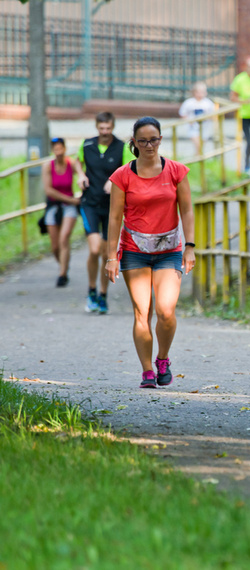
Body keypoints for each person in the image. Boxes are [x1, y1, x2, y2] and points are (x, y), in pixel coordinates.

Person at [105, 116, 195, 389]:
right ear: (134, 142)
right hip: (134, 250)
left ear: (161, 139)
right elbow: (114, 218)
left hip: (169, 249)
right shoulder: (123, 175)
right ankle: (146, 371)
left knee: (166, 311)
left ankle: (163, 358)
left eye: (153, 139)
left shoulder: (176, 171)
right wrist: (111, 256)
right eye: (142, 141)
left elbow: (188, 210)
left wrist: (190, 247)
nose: (148, 145)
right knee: (141, 312)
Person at [77, 111, 135, 314]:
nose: (105, 132)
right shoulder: (87, 145)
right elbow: (77, 160)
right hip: (90, 203)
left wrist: (114, 181)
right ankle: (91, 290)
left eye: (108, 128)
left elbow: (129, 169)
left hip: (112, 207)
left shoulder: (120, 147)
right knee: (94, 249)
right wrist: (80, 173)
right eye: (101, 128)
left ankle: (102, 294)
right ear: (96, 127)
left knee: (105, 253)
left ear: (113, 127)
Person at [41, 137, 84, 287]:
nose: (58, 152)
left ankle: (62, 274)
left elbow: (81, 173)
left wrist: (80, 182)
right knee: (55, 246)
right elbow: (48, 190)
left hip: (69, 207)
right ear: (53, 150)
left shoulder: (70, 163)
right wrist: (70, 199)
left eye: (61, 149)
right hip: (54, 206)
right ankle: (63, 265)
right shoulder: (48, 166)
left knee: (64, 238)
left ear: (64, 149)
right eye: (56, 149)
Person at [178, 81, 216, 157]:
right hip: (193, 127)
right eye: (198, 92)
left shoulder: (208, 103)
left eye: (202, 92)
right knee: (197, 143)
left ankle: (197, 157)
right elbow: (183, 113)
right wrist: (188, 120)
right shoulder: (189, 103)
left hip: (205, 127)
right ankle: (199, 158)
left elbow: (213, 114)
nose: (200, 94)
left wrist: (210, 118)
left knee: (201, 145)